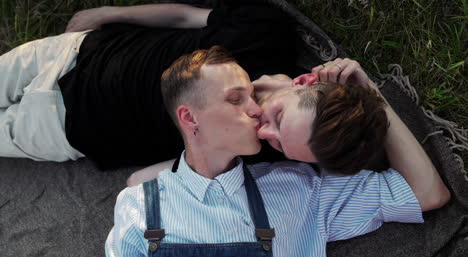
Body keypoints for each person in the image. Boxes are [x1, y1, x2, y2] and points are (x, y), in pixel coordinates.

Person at [105, 46, 450, 257]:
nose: (258, 117)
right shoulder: (139, 205)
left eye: (281, 144)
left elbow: (428, 194)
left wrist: (369, 91)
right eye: (238, 98)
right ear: (189, 117)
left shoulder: (302, 191)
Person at [0, 0, 300, 170]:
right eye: (281, 118)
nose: (265, 131)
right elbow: (184, 17)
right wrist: (109, 14)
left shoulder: (261, 147)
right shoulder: (269, 33)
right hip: (77, 53)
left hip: (66, 127)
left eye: (278, 143)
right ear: (307, 81)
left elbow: (187, 166)